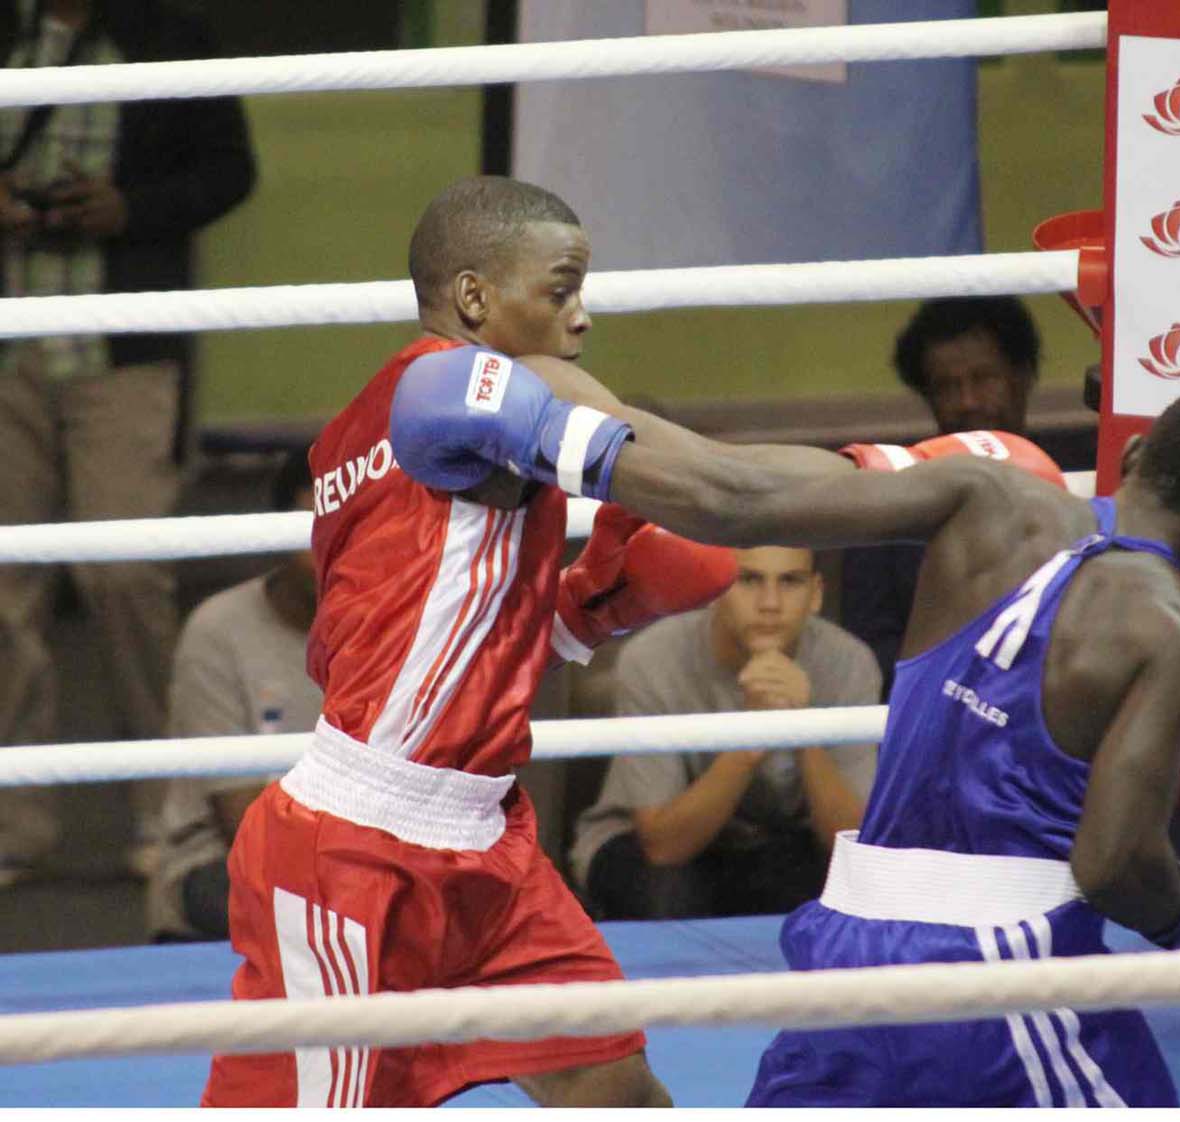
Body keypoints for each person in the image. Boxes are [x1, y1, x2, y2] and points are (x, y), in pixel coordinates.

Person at [377, 315, 1180, 1106]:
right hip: (1012, 970)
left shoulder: (990, 495)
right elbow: (1114, 866)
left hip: (850, 941)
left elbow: (735, 495)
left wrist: (545, 411)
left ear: (1135, 454)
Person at [202, 178, 743, 1108]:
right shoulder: (469, 400)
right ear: (475, 299)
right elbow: (704, 483)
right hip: (352, 848)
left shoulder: (353, 436)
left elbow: (429, 629)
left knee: (613, 1082)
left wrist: (590, 610)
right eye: (561, 288)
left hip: (487, 842)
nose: (581, 318)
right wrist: (872, 486)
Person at [0, 0, 256, 886]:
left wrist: (127, 207)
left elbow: (231, 172)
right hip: (10, 350)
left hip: (122, 343)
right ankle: (13, 826)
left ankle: (169, 813)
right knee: (5, 593)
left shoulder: (172, 32)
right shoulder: (13, 29)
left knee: (125, 575)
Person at [571, 545, 880, 920]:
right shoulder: (654, 657)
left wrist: (802, 728)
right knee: (666, 893)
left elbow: (853, 843)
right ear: (715, 588)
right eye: (748, 579)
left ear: (816, 594)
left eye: (790, 581)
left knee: (851, 896)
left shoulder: (850, 662)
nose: (770, 603)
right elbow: (664, 846)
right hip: (650, 842)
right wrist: (748, 741)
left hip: (782, 843)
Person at [147, 451, 319, 942]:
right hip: (221, 864)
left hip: (362, 862)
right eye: (314, 531)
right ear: (279, 538)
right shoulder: (219, 631)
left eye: (353, 529)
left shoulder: (402, 628)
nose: (334, 550)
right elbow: (245, 827)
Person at [840, 296, 1049, 696]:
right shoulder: (889, 493)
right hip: (935, 714)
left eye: (984, 378)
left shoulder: (1083, 479)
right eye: (947, 386)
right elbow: (869, 647)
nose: (968, 401)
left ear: (1023, 376)